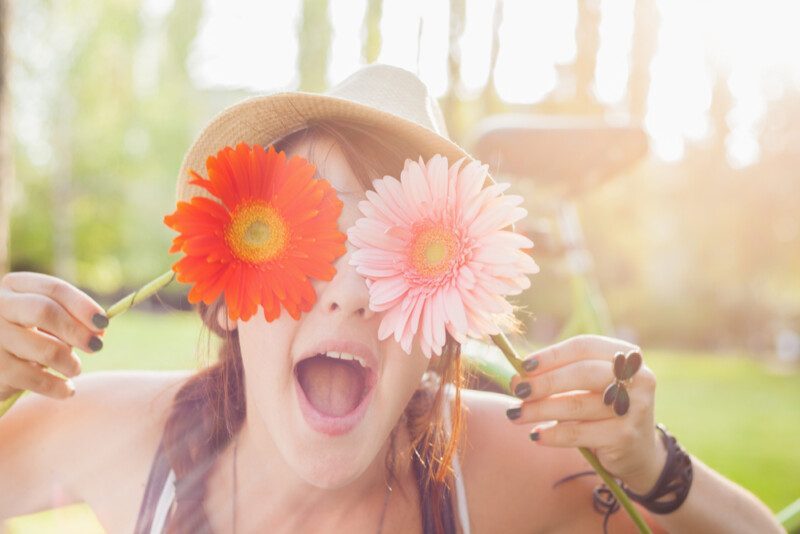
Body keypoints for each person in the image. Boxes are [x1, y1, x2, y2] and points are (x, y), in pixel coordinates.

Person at [0, 65, 782, 534]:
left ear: (445, 325)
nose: (348, 292)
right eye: (305, 244)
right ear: (229, 296)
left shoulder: (501, 465)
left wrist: (650, 465)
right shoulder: (113, 435)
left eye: (397, 258)